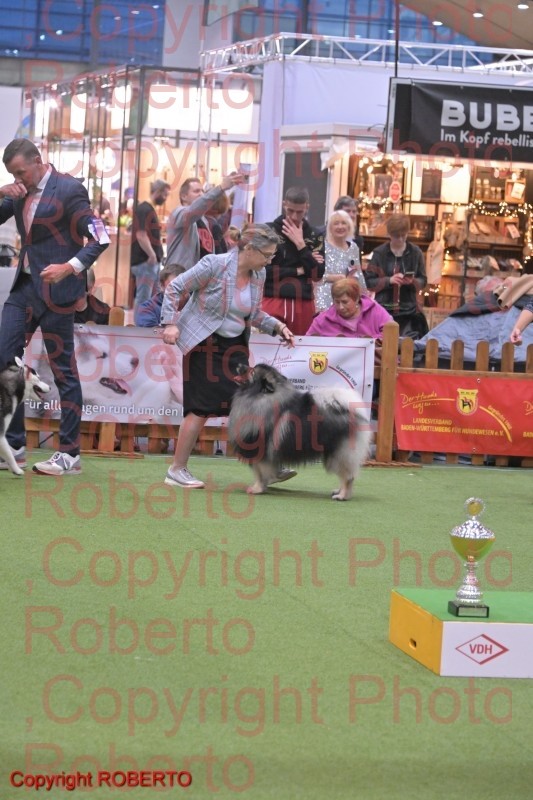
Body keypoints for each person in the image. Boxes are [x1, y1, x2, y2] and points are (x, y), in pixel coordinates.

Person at [0, 138, 109, 475]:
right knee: (5, 361)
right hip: (24, 289)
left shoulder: (69, 189)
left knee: (64, 372)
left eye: (21, 172)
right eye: (12, 175)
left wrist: (70, 267)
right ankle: (14, 446)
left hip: (59, 294)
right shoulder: (17, 191)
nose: (18, 179)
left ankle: (70, 454)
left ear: (38, 160)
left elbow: (101, 236)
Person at [160, 223, 295, 489]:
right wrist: (170, 323)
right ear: (249, 248)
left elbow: (254, 313)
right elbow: (175, 288)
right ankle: (176, 470)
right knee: (200, 410)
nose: (269, 261)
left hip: (235, 349)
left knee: (252, 404)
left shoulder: (259, 274)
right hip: (204, 346)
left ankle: (268, 466)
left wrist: (278, 327)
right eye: (267, 255)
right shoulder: (214, 264)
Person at [262, 186, 325, 335]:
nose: (294, 216)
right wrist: (299, 269)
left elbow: (317, 274)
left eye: (299, 212)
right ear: (284, 204)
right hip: (273, 298)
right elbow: (263, 270)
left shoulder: (315, 234)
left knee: (301, 346)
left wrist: (301, 245)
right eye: (290, 211)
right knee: (270, 346)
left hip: (303, 301)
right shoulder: (269, 230)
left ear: (307, 207)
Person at [365, 213, 428, 339]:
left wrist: (412, 281)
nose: (400, 239)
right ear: (389, 234)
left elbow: (423, 280)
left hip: (409, 311)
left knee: (408, 345)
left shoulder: (416, 252)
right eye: (396, 236)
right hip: (383, 309)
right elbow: (369, 282)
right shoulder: (379, 253)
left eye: (403, 235)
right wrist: (389, 280)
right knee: (383, 345)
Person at [166, 173, 243, 272]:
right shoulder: (178, 213)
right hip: (178, 276)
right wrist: (221, 188)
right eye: (196, 191)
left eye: (202, 191)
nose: (201, 194)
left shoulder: (203, 220)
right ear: (184, 196)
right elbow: (194, 209)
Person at [314, 210, 366, 313]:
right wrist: (332, 277)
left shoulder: (353, 247)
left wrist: (364, 296)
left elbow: (358, 274)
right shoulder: (321, 247)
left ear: (349, 226)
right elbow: (313, 276)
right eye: (336, 223)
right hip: (324, 297)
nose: (340, 227)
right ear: (330, 227)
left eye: (343, 223)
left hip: (346, 296)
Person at [130, 179, 170, 312]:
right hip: (145, 262)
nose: (165, 198)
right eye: (164, 194)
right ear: (157, 192)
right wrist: (152, 255)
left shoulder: (148, 209)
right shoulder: (144, 209)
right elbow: (141, 235)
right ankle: (139, 324)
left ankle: (146, 322)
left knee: (151, 297)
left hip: (150, 262)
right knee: (144, 298)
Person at [307, 277, 392, 339]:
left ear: (356, 299)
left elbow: (392, 333)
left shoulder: (374, 310)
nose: (340, 307)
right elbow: (307, 342)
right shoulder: (323, 320)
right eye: (337, 302)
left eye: (345, 302)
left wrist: (370, 341)